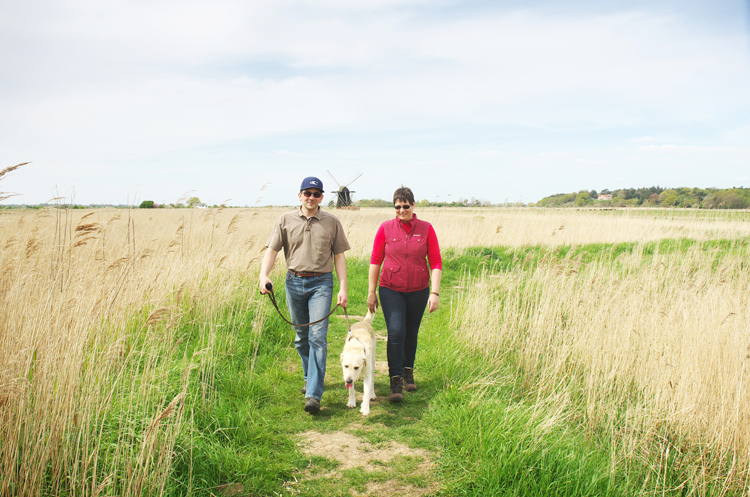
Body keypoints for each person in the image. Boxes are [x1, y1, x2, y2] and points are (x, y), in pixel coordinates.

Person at [259, 176, 350, 414]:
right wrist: (263, 275)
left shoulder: (332, 222)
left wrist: (343, 288)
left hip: (322, 283)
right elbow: (272, 250)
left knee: (317, 336)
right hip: (294, 282)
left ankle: (313, 394)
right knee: (301, 336)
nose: (311, 198)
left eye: (316, 194)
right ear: (299, 195)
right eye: (307, 193)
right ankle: (310, 377)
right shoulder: (285, 220)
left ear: (322, 197)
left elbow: (339, 256)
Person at [367, 186, 442, 402]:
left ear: (413, 205)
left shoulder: (426, 229)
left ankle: (408, 371)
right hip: (391, 289)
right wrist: (371, 292)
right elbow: (376, 260)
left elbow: (436, 262)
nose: (401, 210)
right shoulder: (385, 228)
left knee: (411, 333)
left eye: (405, 206)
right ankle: (395, 381)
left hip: (419, 290)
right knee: (397, 332)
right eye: (397, 207)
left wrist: (434, 293)